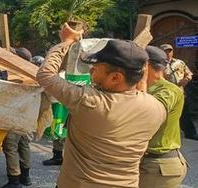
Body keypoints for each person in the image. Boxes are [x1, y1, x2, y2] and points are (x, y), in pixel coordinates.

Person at [37, 24, 166, 188]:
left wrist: (65, 42)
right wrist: (139, 69)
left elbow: (45, 75)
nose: (91, 72)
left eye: (95, 68)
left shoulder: (88, 102)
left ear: (115, 78)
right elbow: (139, 91)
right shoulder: (157, 108)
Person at [139, 46, 187, 188]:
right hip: (147, 163)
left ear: (145, 66)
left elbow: (149, 115)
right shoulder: (145, 88)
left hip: (158, 166)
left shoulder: (168, 90)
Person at [1, 47, 33, 188]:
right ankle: (25, 177)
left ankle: (14, 180)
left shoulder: (15, 75)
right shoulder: (31, 73)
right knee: (24, 145)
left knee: (11, 147)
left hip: (14, 116)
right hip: (27, 117)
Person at [160, 44, 196, 140]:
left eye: (169, 51)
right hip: (168, 95)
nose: (168, 53)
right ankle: (168, 136)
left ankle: (190, 133)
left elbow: (189, 73)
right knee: (168, 116)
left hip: (181, 93)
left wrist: (186, 79)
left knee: (185, 114)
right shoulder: (159, 65)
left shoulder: (180, 63)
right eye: (165, 51)